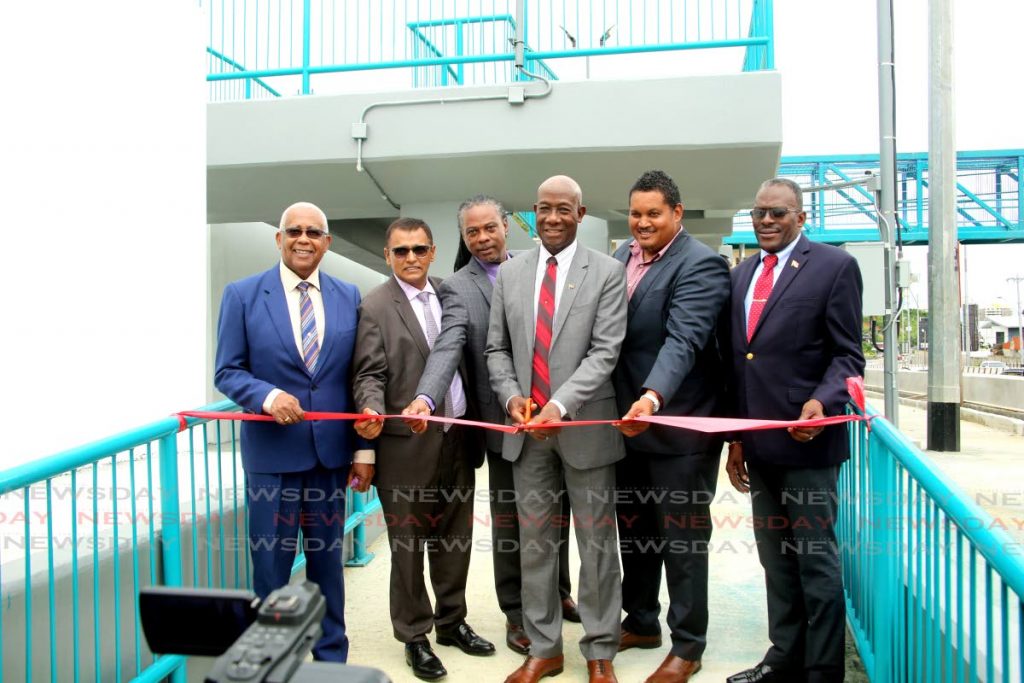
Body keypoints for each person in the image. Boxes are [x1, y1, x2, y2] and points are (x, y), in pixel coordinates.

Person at [402, 195, 580, 656]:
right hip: (504, 428)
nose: (482, 239)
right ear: (463, 238)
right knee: (512, 524)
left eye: (489, 229)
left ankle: (558, 591)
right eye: (471, 233)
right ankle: (517, 612)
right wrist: (425, 396)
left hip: (559, 419)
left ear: (507, 226)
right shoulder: (457, 289)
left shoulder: (536, 266)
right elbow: (448, 347)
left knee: (556, 516)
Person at [214, 201, 374, 663]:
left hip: (329, 461)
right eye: (294, 231)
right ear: (279, 239)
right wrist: (267, 397)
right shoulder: (243, 295)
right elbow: (227, 371)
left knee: (329, 570)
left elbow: (359, 378)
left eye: (314, 232)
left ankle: (331, 662)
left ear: (327, 242)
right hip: (272, 463)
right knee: (271, 573)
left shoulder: (349, 295)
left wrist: (364, 448)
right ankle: (271, 663)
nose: (303, 239)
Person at [486, 175, 627, 683]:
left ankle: (599, 648)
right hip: (526, 434)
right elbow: (496, 350)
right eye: (544, 208)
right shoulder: (510, 273)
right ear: (532, 212)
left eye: (563, 209)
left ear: (581, 213)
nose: (552, 218)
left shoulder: (608, 272)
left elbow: (605, 352)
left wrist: (561, 406)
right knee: (536, 545)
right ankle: (544, 648)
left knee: (595, 545)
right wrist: (511, 397)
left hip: (584, 429)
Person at [725, 178, 864, 683]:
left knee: (815, 562)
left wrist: (821, 403)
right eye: (759, 212)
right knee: (775, 562)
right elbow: (741, 364)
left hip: (809, 445)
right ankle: (783, 657)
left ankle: (823, 670)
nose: (766, 221)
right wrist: (737, 439)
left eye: (777, 213)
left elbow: (848, 356)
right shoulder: (740, 276)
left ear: (800, 218)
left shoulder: (834, 267)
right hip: (759, 447)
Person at [352, 217, 495, 681]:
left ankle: (452, 623)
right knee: (409, 547)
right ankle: (414, 635)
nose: (410, 258)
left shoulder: (449, 294)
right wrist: (371, 410)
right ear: (388, 256)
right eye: (400, 251)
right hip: (405, 449)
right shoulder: (375, 305)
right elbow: (369, 374)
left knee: (455, 541)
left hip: (458, 439)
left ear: (433, 251)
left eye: (419, 249)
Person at [611, 170, 731, 683]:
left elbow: (683, 340)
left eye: (653, 213)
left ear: (677, 214)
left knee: (683, 543)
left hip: (678, 430)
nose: (642, 223)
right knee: (634, 533)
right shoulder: (620, 258)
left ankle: (688, 644)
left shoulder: (702, 265)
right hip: (626, 428)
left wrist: (652, 397)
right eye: (636, 214)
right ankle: (641, 621)